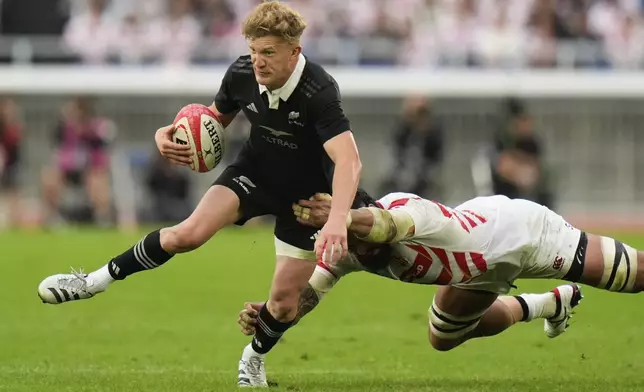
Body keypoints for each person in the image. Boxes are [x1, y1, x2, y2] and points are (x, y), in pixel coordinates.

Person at [36, 1, 362, 387]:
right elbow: (210, 121)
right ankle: (92, 281)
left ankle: (252, 358)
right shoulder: (242, 72)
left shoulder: (319, 90)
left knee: (283, 303)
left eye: (269, 52)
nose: (258, 61)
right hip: (255, 175)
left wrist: (338, 217)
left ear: (295, 52)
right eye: (254, 50)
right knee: (185, 235)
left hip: (307, 200)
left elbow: (349, 161)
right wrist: (169, 133)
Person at [237, 190, 643, 380]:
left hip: (525, 235)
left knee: (634, 277)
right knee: (443, 337)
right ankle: (548, 305)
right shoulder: (345, 249)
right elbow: (309, 293)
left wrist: (344, 215)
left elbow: (386, 225)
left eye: (353, 229)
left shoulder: (403, 210)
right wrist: (275, 312)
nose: (356, 245)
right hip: (477, 274)